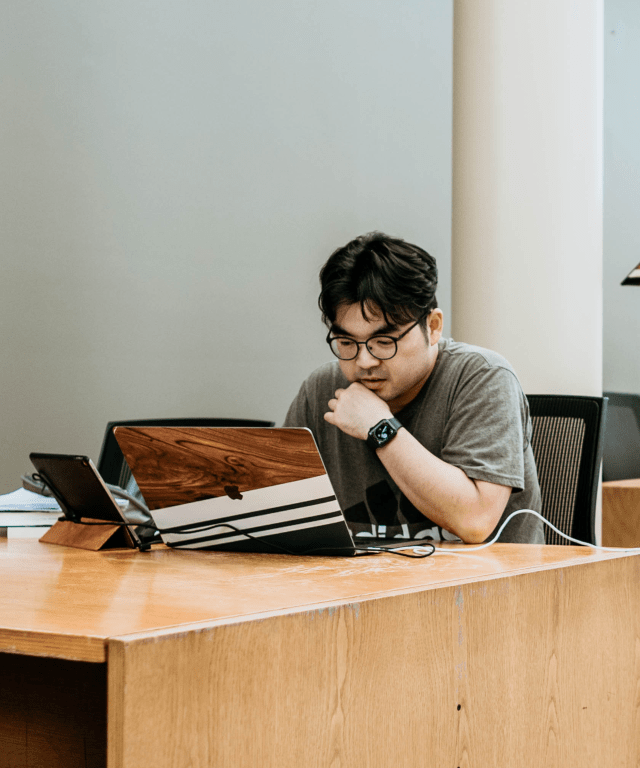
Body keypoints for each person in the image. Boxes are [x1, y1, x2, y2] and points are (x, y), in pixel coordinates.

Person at [283, 232, 543, 545]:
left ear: (432, 327)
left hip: (483, 588)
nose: (364, 361)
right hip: (360, 587)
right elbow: (276, 512)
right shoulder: (321, 389)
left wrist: (380, 427)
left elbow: (475, 521)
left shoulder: (483, 378)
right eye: (346, 342)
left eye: (383, 341)